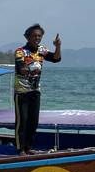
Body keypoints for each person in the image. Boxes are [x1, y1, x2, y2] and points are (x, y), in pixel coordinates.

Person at [14, 23, 62, 155]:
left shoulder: (42, 50)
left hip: (35, 91)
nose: (37, 38)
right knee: (22, 122)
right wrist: (30, 67)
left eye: (39, 36)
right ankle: (20, 149)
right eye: (34, 36)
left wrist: (58, 46)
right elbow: (20, 68)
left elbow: (56, 59)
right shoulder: (20, 51)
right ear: (28, 37)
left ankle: (28, 148)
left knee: (33, 122)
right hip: (22, 92)